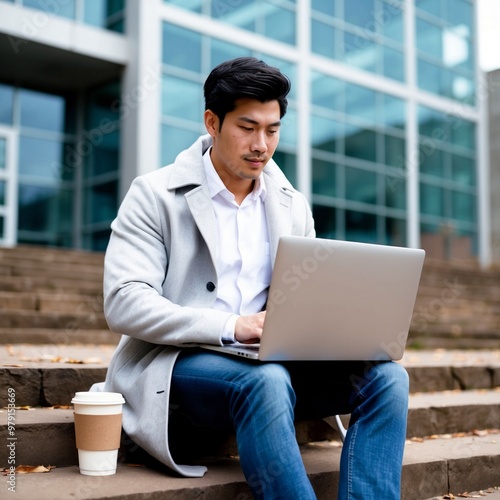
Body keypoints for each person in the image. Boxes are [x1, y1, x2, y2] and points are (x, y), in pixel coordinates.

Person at [96, 56, 409, 499]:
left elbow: (313, 299)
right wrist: (232, 327)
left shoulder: (292, 204)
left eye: (272, 129)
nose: (261, 143)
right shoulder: (153, 195)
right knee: (265, 381)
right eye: (247, 127)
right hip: (181, 365)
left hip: (276, 361)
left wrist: (343, 331)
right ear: (212, 122)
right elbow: (124, 300)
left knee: (388, 378)